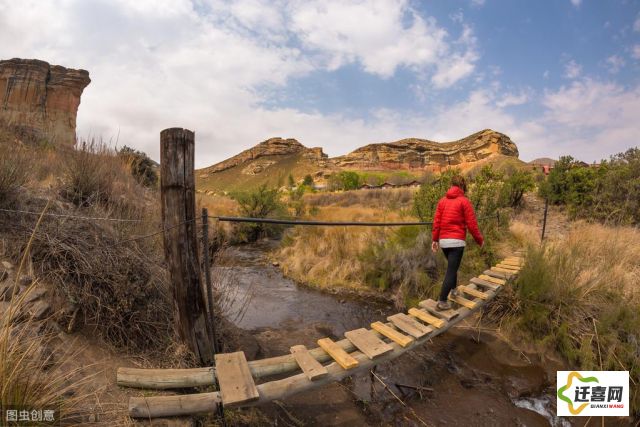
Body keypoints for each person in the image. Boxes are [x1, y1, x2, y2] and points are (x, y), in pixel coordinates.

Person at [431, 175, 484, 311]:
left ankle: (454, 290)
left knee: (452, 267)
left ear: (451, 185)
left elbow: (436, 223)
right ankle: (442, 301)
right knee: (451, 270)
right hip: (457, 242)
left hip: (444, 241)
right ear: (462, 186)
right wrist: (480, 240)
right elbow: (472, 224)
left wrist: (435, 240)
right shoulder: (464, 201)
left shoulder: (442, 201)